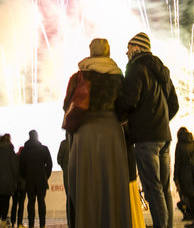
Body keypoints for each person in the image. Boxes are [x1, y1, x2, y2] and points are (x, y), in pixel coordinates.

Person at [64, 38, 131, 228]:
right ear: (108, 52)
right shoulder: (118, 76)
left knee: (85, 184)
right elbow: (124, 107)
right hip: (111, 132)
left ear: (91, 51)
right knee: (113, 182)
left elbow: (67, 105)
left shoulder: (79, 76)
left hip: (85, 133)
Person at [118, 32, 179, 228]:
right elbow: (174, 104)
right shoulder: (162, 71)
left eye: (129, 47)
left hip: (146, 139)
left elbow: (129, 100)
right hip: (164, 137)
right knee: (164, 189)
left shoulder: (136, 68)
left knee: (153, 189)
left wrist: (117, 112)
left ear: (137, 48)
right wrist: (161, 121)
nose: (126, 51)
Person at [19, 130, 52, 228]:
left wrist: (25, 176)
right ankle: (42, 224)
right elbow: (49, 164)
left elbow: (21, 167)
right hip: (41, 180)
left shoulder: (25, 150)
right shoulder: (44, 149)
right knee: (41, 202)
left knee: (31, 203)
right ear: (37, 136)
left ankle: (31, 224)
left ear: (29, 137)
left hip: (29, 180)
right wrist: (46, 176)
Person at [174, 127, 194, 228]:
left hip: (185, 174)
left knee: (191, 199)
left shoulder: (180, 145)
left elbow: (177, 163)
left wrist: (176, 178)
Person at [0, 134, 18, 228]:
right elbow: (14, 168)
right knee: (5, 201)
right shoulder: (11, 152)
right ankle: (3, 222)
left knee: (2, 201)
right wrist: (15, 179)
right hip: (8, 181)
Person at [10, 146, 26, 228]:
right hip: (23, 184)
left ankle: (12, 222)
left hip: (15, 184)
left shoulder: (15, 158)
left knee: (14, 204)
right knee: (21, 204)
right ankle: (19, 223)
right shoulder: (25, 159)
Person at [55, 139, 69, 228]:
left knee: (69, 198)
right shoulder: (79, 140)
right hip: (79, 175)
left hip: (67, 175)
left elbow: (59, 159)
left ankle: (70, 221)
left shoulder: (63, 143)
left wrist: (64, 167)